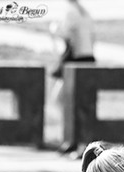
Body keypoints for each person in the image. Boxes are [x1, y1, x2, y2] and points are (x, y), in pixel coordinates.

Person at [50, 0, 96, 154]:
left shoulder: (70, 11)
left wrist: (54, 29)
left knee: (60, 99)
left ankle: (73, 140)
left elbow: (67, 34)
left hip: (76, 60)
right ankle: (76, 141)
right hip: (88, 59)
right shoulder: (85, 12)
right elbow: (92, 38)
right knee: (79, 104)